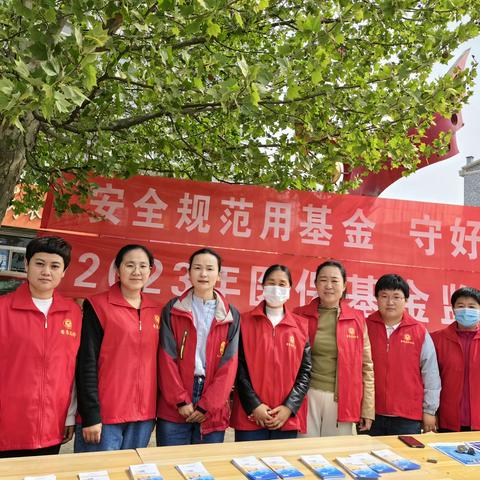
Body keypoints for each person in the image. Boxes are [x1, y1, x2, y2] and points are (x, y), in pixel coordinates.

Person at [0, 236, 81, 458]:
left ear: (64, 271)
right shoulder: (3, 309)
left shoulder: (73, 313)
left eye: (55, 266)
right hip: (7, 426)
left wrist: (70, 415)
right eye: (39, 263)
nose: (46, 271)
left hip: (52, 426)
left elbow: (73, 369)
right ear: (26, 265)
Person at [75, 244, 160, 451]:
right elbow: (86, 362)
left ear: (151, 271)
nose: (136, 271)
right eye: (130, 265)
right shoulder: (97, 305)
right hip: (105, 416)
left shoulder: (156, 310)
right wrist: (90, 414)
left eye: (142, 266)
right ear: (117, 270)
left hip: (143, 416)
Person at [156, 247, 240, 445]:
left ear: (218, 275)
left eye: (210, 269)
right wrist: (180, 400)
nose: (203, 274)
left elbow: (230, 365)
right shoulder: (173, 308)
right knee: (170, 465)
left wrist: (208, 405)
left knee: (204, 471)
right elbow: (166, 358)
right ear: (188, 273)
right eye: (198, 268)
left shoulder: (231, 314)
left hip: (212, 403)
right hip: (175, 403)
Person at [294, 260, 374, 437]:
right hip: (306, 395)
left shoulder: (357, 319)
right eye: (323, 280)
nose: (328, 286)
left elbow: (366, 366)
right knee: (305, 453)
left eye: (335, 280)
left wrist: (367, 409)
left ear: (345, 285)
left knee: (334, 455)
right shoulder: (299, 315)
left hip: (342, 399)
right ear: (315, 284)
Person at [231, 265, 312, 441]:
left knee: (283, 467)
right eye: (271, 283)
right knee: (249, 466)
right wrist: (255, 406)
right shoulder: (244, 322)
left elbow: (305, 372)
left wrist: (289, 407)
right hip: (251, 416)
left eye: (282, 284)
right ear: (262, 286)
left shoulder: (300, 326)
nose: (276, 288)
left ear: (290, 289)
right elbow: (238, 368)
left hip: (285, 418)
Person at [367, 274, 441, 436]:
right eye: (384, 296)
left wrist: (429, 410)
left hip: (407, 418)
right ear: (376, 298)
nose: (390, 302)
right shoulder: (365, 327)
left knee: (407, 461)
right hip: (370, 415)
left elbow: (431, 374)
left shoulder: (419, 331)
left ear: (406, 300)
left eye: (396, 297)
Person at [432, 286, 480, 432]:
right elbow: (429, 380)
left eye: (471, 306)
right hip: (447, 420)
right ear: (453, 309)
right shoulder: (436, 339)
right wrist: (430, 412)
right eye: (461, 306)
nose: (466, 310)